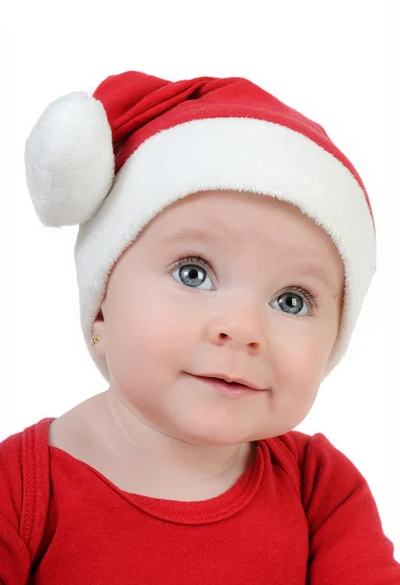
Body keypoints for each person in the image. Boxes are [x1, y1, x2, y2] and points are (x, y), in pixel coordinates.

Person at [1, 70, 399, 584]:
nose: (242, 328)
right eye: (193, 273)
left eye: (292, 301)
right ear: (101, 305)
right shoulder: (19, 492)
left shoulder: (319, 490)